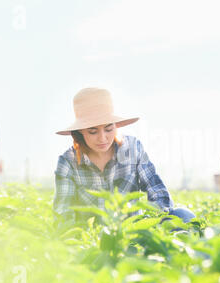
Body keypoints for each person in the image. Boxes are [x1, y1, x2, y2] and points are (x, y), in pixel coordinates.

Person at [53, 87, 195, 227]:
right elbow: (63, 211)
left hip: (133, 232)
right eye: (92, 131)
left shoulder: (132, 148)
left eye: (109, 129)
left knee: (183, 216)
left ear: (116, 126)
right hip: (95, 239)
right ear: (80, 132)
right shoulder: (68, 162)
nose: (102, 138)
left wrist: (156, 220)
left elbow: (155, 188)